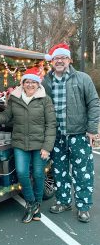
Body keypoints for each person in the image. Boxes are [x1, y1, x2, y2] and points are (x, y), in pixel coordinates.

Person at [0, 67, 56, 223]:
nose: (30, 85)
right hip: (20, 143)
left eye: (33, 82)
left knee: (38, 174)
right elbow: (7, 117)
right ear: (23, 83)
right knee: (21, 173)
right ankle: (31, 203)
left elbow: (51, 125)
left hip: (40, 144)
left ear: (38, 84)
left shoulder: (45, 100)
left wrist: (47, 148)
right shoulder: (15, 98)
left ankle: (36, 207)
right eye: (27, 82)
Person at [42, 43, 100, 223]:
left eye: (63, 58)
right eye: (56, 58)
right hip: (56, 136)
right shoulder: (46, 82)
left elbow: (93, 103)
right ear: (52, 61)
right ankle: (63, 201)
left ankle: (83, 207)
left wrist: (92, 129)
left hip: (78, 135)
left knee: (83, 173)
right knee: (59, 171)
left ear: (69, 60)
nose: (59, 61)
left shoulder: (82, 78)